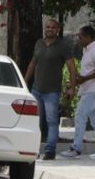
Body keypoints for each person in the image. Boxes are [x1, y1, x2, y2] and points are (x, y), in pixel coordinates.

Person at [23, 19, 78, 159]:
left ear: (58, 29)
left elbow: (72, 68)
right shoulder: (39, 43)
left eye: (53, 27)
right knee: (35, 121)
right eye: (47, 27)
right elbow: (32, 63)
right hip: (36, 89)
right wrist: (24, 82)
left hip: (52, 92)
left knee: (52, 121)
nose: (49, 29)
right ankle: (34, 149)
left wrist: (71, 88)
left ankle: (50, 150)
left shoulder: (63, 46)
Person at [62, 25, 95, 159]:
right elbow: (88, 72)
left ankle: (76, 148)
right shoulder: (87, 51)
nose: (78, 39)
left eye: (80, 36)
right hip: (89, 89)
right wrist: (76, 81)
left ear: (88, 37)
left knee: (79, 116)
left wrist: (84, 79)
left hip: (93, 90)